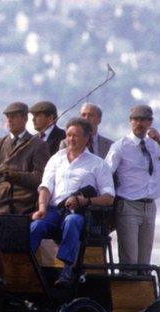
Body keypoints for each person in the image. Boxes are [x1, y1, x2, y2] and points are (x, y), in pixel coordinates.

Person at [29, 118, 115, 287]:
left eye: (75, 136)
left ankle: (67, 270)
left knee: (71, 221)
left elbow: (109, 198)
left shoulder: (98, 164)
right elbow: (45, 187)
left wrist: (85, 201)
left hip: (81, 214)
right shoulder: (56, 159)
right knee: (36, 226)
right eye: (68, 135)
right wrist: (41, 208)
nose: (71, 139)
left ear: (87, 138)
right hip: (54, 210)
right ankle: (27, 267)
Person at [104, 104, 160, 267]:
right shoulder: (120, 147)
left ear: (150, 122)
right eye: (136, 119)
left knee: (144, 260)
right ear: (130, 121)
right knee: (130, 258)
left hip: (149, 206)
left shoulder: (153, 145)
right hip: (128, 205)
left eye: (143, 120)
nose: (139, 124)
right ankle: (127, 287)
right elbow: (105, 173)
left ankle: (141, 288)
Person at [0, 101, 51, 215]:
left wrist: (16, 176)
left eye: (13, 117)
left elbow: (40, 178)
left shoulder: (38, 144)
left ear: (25, 118)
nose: (9, 120)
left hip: (23, 199)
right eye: (7, 117)